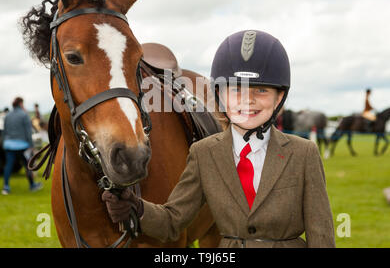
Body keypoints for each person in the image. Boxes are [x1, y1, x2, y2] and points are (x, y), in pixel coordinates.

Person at [102, 30, 336, 248]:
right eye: (236, 90)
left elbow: (321, 234)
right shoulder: (204, 153)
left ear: (279, 98)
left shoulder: (304, 153)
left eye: (261, 91)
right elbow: (173, 221)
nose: (247, 100)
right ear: (219, 96)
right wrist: (137, 208)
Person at [1, 97, 42, 195]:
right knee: (27, 165)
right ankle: (32, 185)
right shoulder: (24, 115)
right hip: (22, 145)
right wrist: (31, 145)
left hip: (9, 144)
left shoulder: (7, 115)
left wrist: (4, 143)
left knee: (8, 166)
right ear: (20, 104)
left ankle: (6, 187)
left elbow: (5, 131)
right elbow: (28, 132)